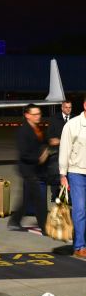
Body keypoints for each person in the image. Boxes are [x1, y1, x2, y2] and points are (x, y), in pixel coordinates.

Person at [8, 104, 49, 233]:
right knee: (39, 199)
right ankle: (45, 227)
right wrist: (39, 158)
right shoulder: (23, 131)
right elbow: (24, 154)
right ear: (27, 115)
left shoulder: (37, 129)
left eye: (39, 114)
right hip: (27, 169)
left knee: (27, 199)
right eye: (35, 114)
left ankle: (14, 221)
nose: (38, 116)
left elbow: (40, 144)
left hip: (35, 168)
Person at [59, 96, 86, 258]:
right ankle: (80, 246)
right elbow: (64, 150)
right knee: (80, 210)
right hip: (77, 173)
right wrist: (63, 174)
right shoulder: (72, 125)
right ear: (84, 105)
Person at [46, 100, 73, 202]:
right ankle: (55, 195)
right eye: (66, 107)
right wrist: (59, 141)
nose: (68, 109)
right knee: (56, 174)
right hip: (57, 151)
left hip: (71, 152)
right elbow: (49, 136)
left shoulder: (74, 119)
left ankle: (68, 197)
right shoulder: (54, 119)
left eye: (70, 107)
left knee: (69, 174)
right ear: (62, 108)